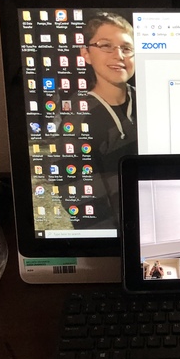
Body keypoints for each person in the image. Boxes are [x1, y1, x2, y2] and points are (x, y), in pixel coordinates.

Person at [70, 12, 137, 228]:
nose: (119, 55)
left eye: (126, 48)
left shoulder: (150, 100)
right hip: (116, 232)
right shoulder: (78, 117)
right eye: (106, 46)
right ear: (86, 54)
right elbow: (80, 196)